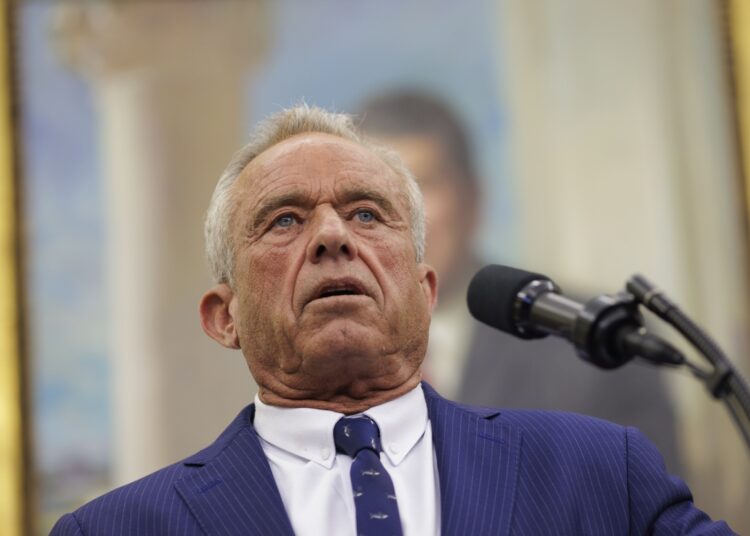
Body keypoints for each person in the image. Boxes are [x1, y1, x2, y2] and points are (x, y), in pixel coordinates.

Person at [51, 105, 732, 535]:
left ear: (425, 290)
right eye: (285, 219)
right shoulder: (118, 528)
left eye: (367, 214)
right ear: (223, 316)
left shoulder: (599, 475)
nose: (332, 237)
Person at [359, 91, 682, 471]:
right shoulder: (315, 368)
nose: (401, 219)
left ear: (474, 200)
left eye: (423, 186)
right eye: (374, 197)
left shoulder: (596, 347)